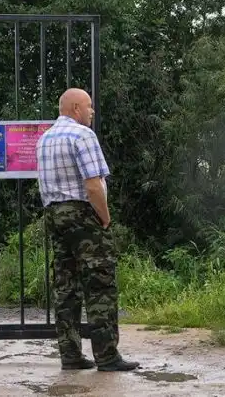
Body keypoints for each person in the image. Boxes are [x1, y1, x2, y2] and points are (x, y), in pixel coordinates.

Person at [35, 87, 139, 372]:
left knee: (66, 286)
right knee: (100, 283)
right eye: (89, 106)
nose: (92, 111)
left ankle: (70, 354)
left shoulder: (44, 139)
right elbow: (93, 185)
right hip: (83, 214)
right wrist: (104, 216)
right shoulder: (82, 135)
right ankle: (107, 356)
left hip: (54, 215)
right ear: (76, 109)